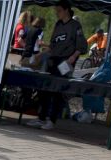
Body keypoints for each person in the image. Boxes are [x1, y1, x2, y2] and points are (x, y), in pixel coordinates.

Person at [26, 0, 87, 131]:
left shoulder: (75, 26)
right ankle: (41, 118)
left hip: (65, 62)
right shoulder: (58, 24)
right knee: (44, 89)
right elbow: (53, 45)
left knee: (56, 91)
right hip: (53, 60)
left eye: (58, 10)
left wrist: (73, 57)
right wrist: (39, 54)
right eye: (56, 11)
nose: (56, 13)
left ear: (66, 10)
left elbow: (82, 46)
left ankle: (51, 120)